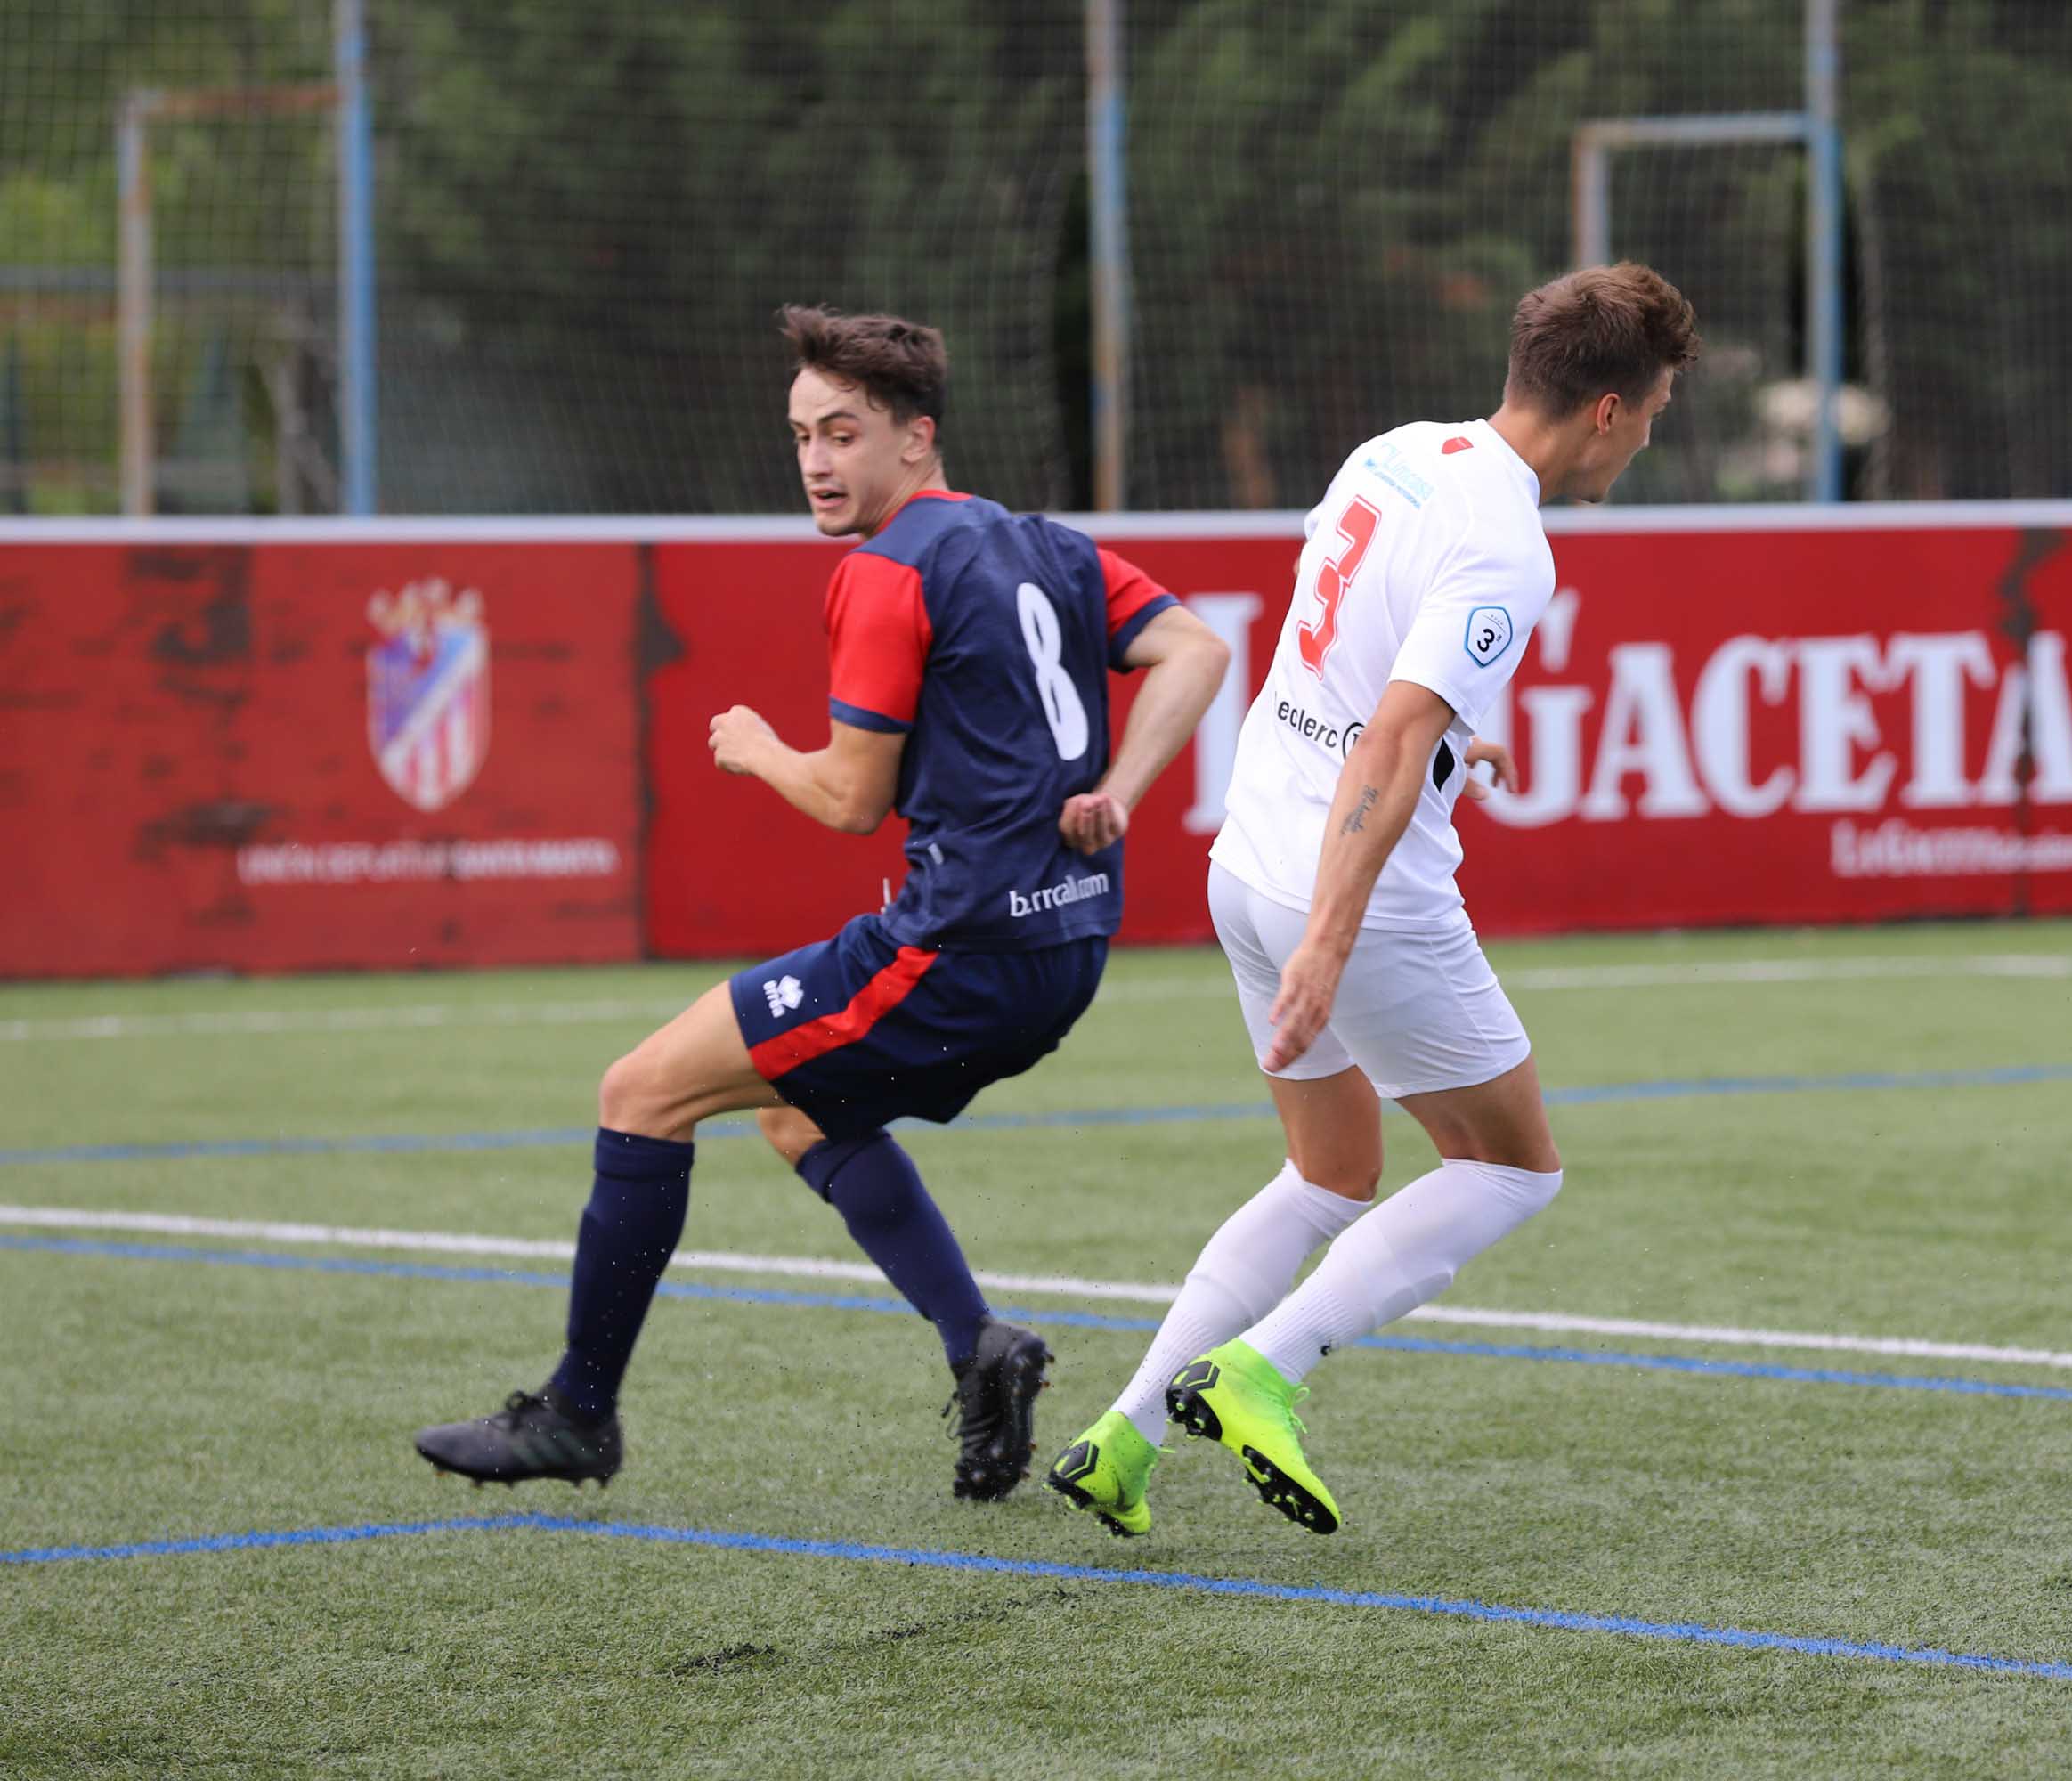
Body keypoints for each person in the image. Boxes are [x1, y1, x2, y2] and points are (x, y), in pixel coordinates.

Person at [416, 305, 1228, 1502]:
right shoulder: (1046, 545)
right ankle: (980, 1348)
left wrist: (756, 748)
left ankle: (579, 1415)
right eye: (802, 433)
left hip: (959, 947)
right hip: (1066, 945)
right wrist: (1118, 789)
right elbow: (1197, 650)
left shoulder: (887, 571)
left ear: (916, 439)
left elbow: (853, 800)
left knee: (641, 1092)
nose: (814, 460)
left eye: (842, 433)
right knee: (795, 1115)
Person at [1046, 264, 1698, 1537]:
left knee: (1331, 1174)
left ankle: (1121, 1437)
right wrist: (1333, 944)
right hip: (1353, 899)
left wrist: (1464, 743)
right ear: (1610, 409)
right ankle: (1259, 1370)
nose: (1654, 432)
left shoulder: (1396, 453)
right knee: (1513, 1171)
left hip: (1246, 862)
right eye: (1661, 408)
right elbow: (1390, 743)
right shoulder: (1512, 546)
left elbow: (1349, 659)